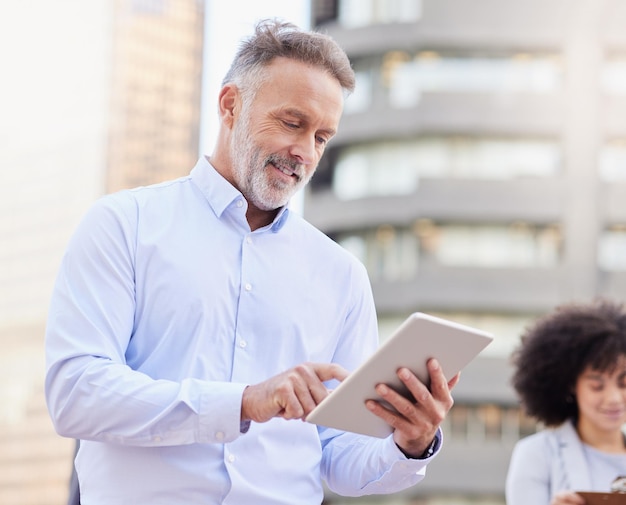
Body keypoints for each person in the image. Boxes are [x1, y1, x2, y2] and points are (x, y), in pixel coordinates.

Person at [45, 19, 459, 505]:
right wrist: (242, 402)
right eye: (292, 123)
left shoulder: (341, 274)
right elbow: (75, 394)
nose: (304, 152)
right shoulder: (125, 225)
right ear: (230, 105)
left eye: (322, 137)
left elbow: (342, 459)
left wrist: (410, 444)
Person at [505, 298, 626, 505]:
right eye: (597, 386)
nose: (614, 398)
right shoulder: (536, 455)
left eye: (624, 383)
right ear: (571, 385)